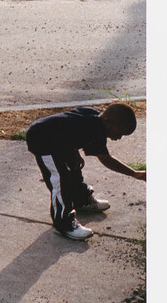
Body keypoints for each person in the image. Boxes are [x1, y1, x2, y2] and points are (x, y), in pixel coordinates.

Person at [23, 103, 143, 241]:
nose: (119, 137)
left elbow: (69, 128)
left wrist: (74, 151)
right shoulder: (97, 129)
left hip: (55, 138)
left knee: (74, 169)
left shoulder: (93, 115)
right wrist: (134, 173)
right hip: (42, 140)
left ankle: (80, 200)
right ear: (108, 121)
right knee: (60, 179)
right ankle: (64, 224)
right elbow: (106, 159)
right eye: (119, 133)